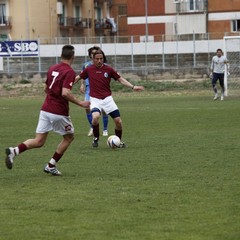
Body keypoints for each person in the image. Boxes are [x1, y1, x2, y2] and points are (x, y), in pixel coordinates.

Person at [4, 45, 90, 176]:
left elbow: (45, 89)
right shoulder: (69, 72)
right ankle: (51, 165)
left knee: (39, 141)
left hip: (45, 109)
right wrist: (81, 103)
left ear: (61, 55)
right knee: (69, 137)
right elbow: (65, 93)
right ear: (73, 56)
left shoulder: (52, 68)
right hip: (59, 112)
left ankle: (14, 151)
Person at [75, 49, 145, 148]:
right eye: (97, 59)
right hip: (95, 99)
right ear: (93, 59)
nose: (99, 60)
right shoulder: (89, 69)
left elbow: (120, 79)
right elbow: (77, 78)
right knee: (95, 117)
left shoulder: (109, 69)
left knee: (118, 122)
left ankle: (118, 141)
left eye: (101, 58)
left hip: (108, 99)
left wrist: (133, 87)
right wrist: (66, 85)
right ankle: (96, 138)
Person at [80, 46, 109, 137]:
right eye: (93, 53)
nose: (94, 54)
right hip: (89, 89)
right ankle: (92, 127)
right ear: (90, 56)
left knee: (104, 110)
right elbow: (82, 75)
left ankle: (105, 129)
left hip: (101, 90)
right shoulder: (86, 65)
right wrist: (82, 84)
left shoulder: (104, 65)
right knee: (87, 109)